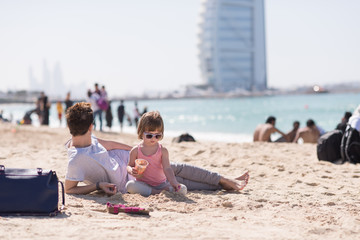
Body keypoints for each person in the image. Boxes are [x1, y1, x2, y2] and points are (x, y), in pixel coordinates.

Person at [64, 102, 249, 195]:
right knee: (178, 180)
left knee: (178, 168)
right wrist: (97, 186)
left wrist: (140, 150)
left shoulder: (90, 138)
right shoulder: (76, 160)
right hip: (131, 177)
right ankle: (222, 184)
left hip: (137, 161)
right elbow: (69, 189)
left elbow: (111, 145)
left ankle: (224, 179)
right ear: (90, 126)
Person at [125, 111, 188, 197]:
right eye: (149, 135)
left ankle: (156, 191)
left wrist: (173, 181)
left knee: (183, 189)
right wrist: (131, 170)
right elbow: (129, 165)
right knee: (130, 185)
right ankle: (157, 192)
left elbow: (167, 168)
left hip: (161, 184)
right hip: (142, 184)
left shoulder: (163, 150)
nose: (153, 138)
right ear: (141, 132)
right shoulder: (136, 150)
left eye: (157, 135)